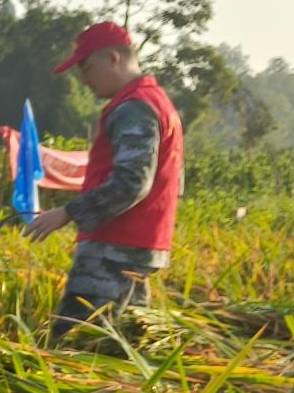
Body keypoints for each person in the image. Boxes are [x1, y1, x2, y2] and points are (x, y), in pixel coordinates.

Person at [22, 20, 184, 339]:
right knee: (119, 351)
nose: (84, 79)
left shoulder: (134, 107)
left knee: (74, 346)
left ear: (113, 58)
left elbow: (132, 182)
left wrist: (68, 213)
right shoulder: (155, 101)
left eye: (87, 68)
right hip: (137, 247)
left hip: (114, 249)